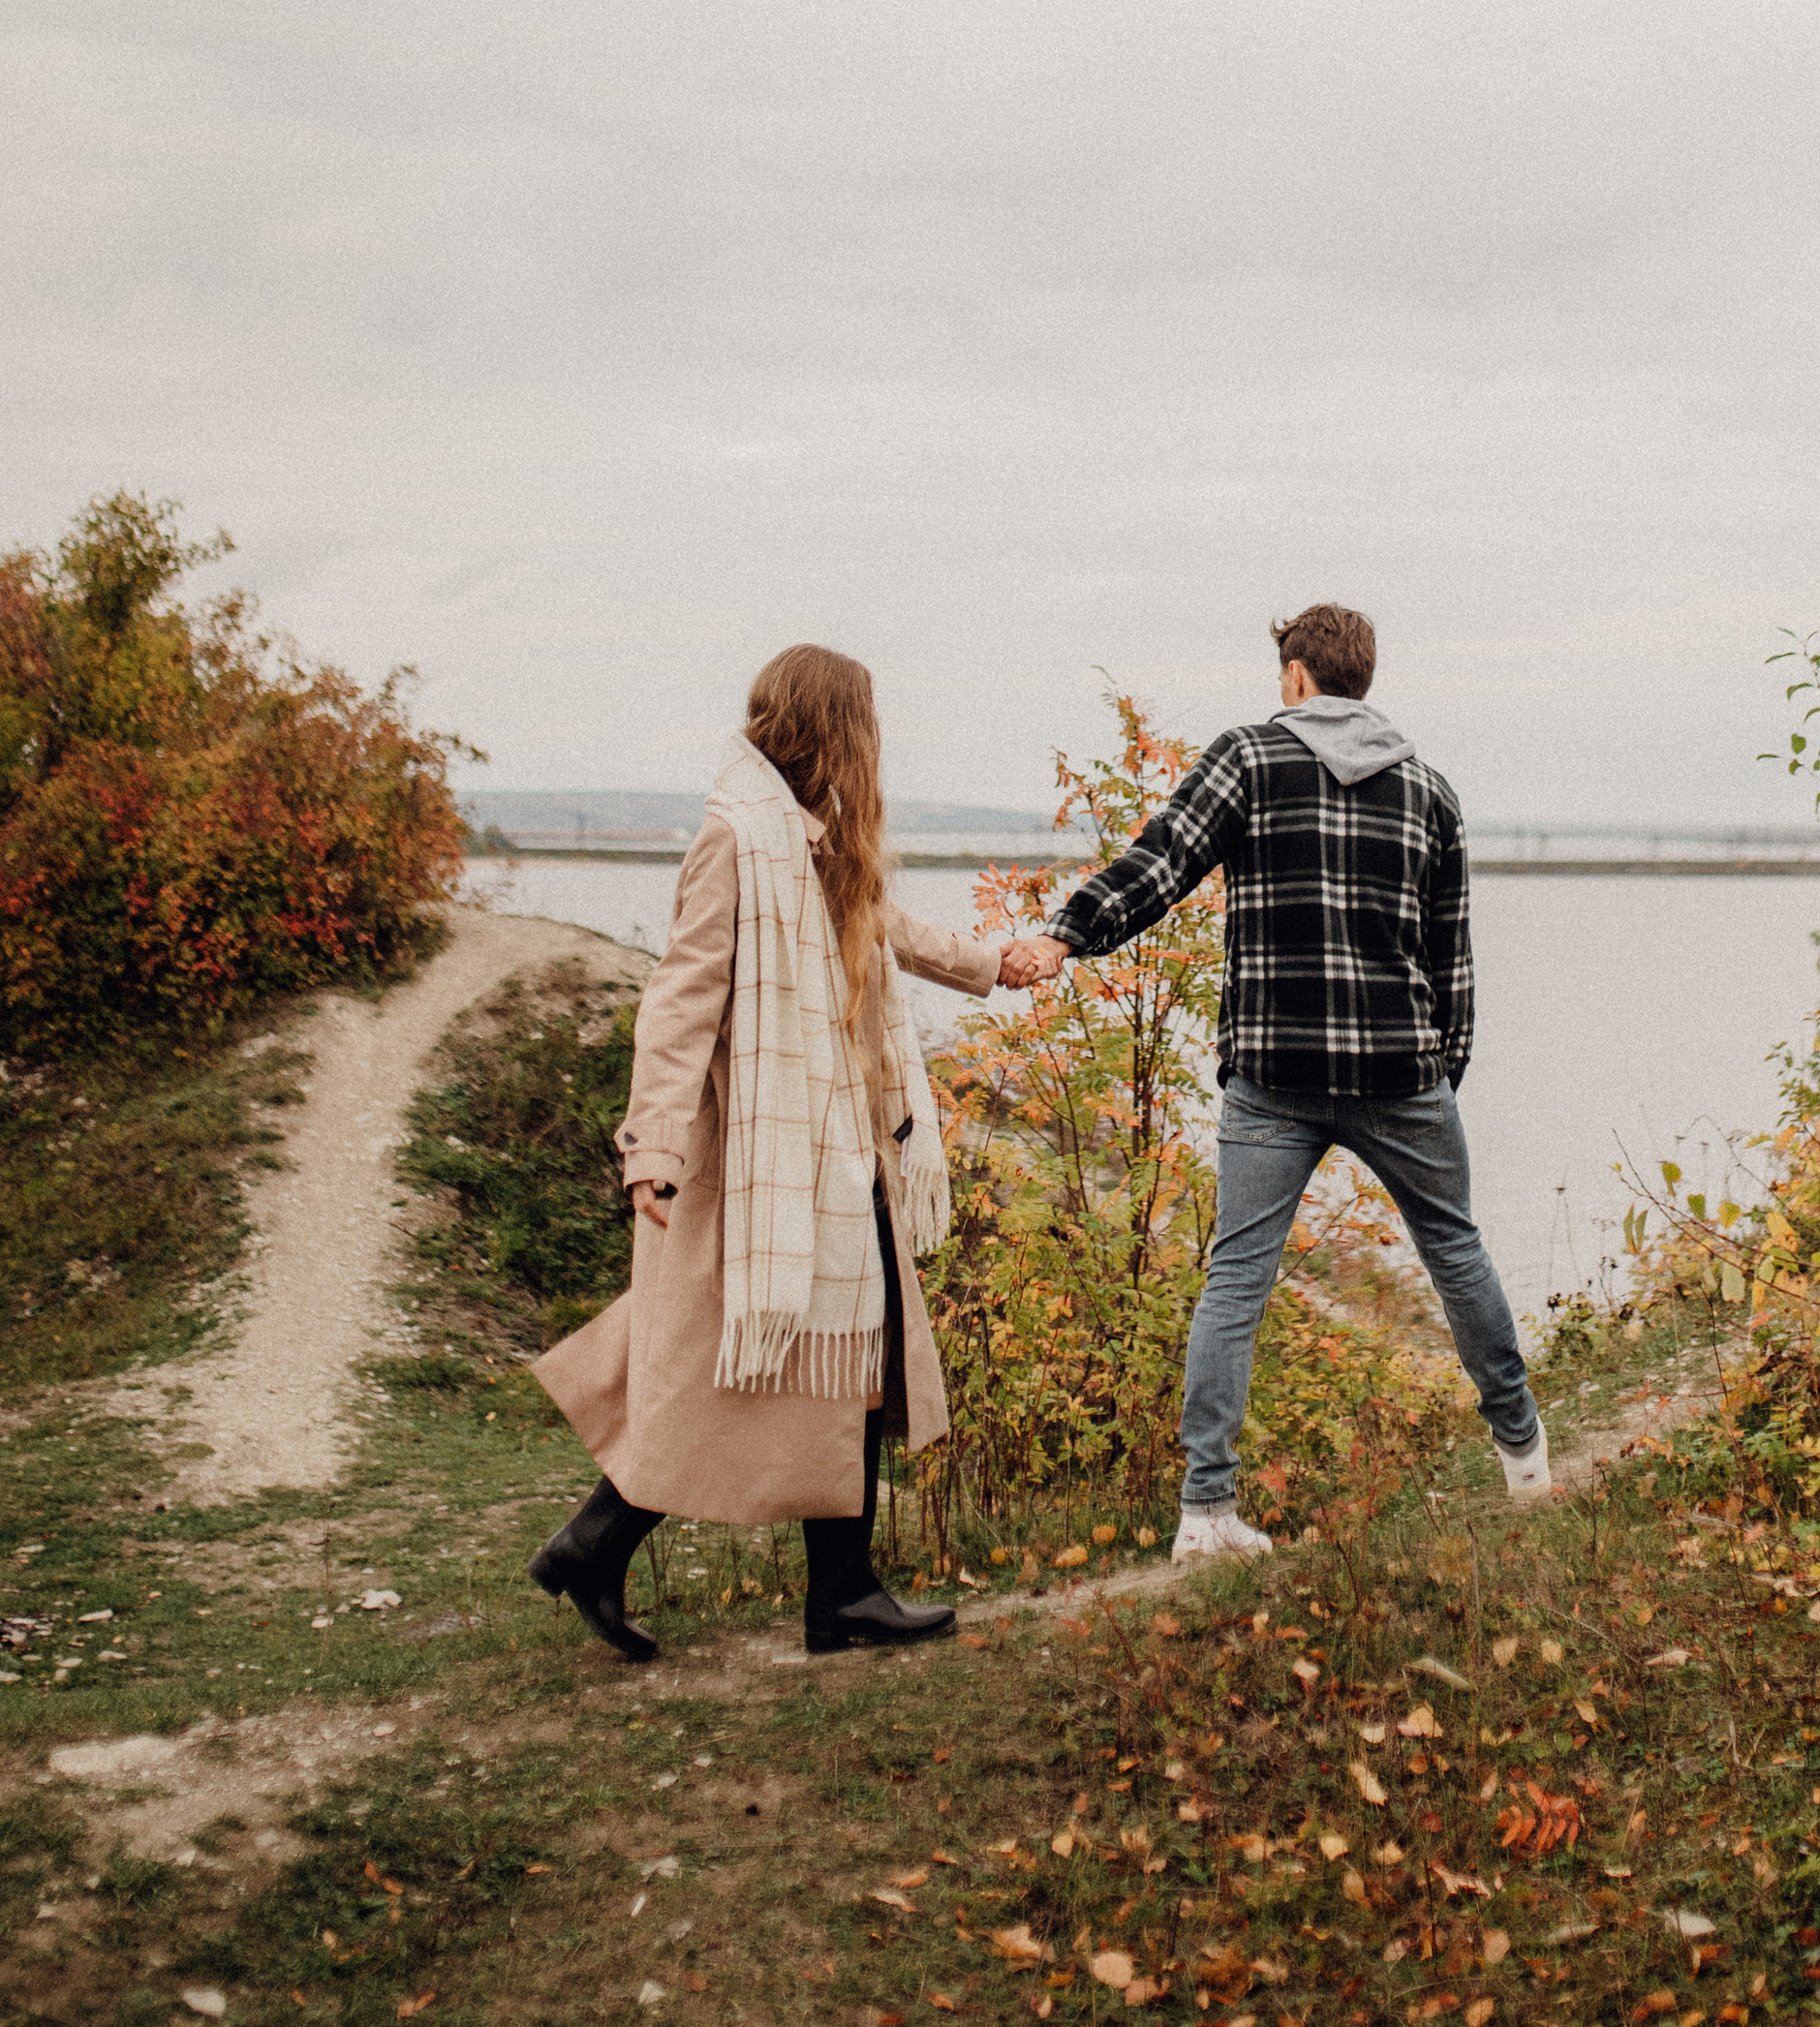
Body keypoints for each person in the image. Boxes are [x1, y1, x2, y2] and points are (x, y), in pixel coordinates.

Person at [527, 642, 1050, 1660]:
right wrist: (652, 1147)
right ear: (833, 731)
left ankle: (829, 1594)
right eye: (864, 725)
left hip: (838, 1145)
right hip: (768, 1158)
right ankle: (614, 1548)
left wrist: (995, 964)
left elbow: (885, 927)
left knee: (840, 1363)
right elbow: (677, 1003)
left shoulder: (816, 843)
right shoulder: (736, 843)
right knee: (731, 1371)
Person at [1013, 601, 1548, 1563]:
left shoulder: (1249, 760)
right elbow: (1451, 962)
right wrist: (1435, 1075)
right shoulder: (1431, 791)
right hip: (1399, 1071)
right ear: (1363, 678)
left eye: (1281, 675)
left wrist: (1066, 935)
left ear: (1298, 675)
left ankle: (1205, 1514)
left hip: (1272, 1074)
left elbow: (1160, 864)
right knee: (1457, 1254)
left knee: (1236, 1280)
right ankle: (1525, 1462)